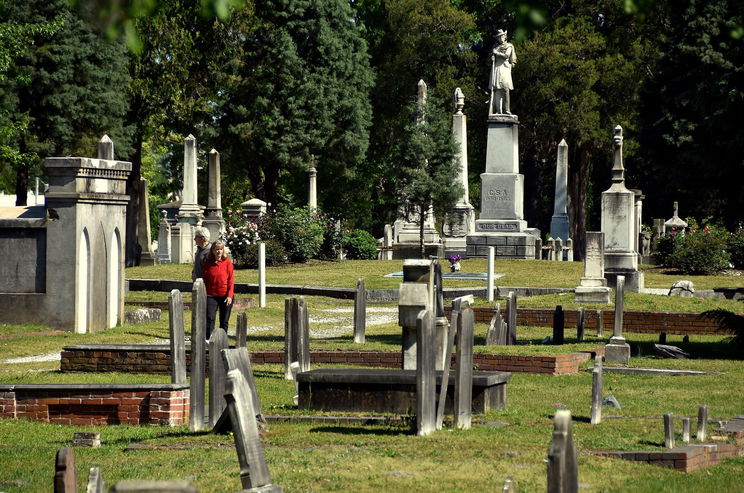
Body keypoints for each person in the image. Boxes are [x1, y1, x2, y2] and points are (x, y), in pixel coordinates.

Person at [201, 240, 234, 339]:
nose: (218, 252)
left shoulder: (227, 262)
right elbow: (204, 279)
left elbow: (231, 280)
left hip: (225, 295)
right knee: (210, 318)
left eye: (220, 249)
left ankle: (222, 339)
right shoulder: (208, 263)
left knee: (224, 320)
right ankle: (209, 339)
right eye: (216, 249)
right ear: (213, 251)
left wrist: (229, 296)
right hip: (211, 295)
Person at [488, 29, 516, 115]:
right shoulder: (495, 47)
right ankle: (497, 110)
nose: (501, 38)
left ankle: (506, 109)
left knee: (505, 88)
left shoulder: (509, 46)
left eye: (502, 36)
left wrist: (496, 53)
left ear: (505, 36)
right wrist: (491, 57)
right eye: (499, 37)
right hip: (496, 68)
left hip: (505, 68)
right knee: (497, 89)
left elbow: (507, 55)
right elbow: (489, 57)